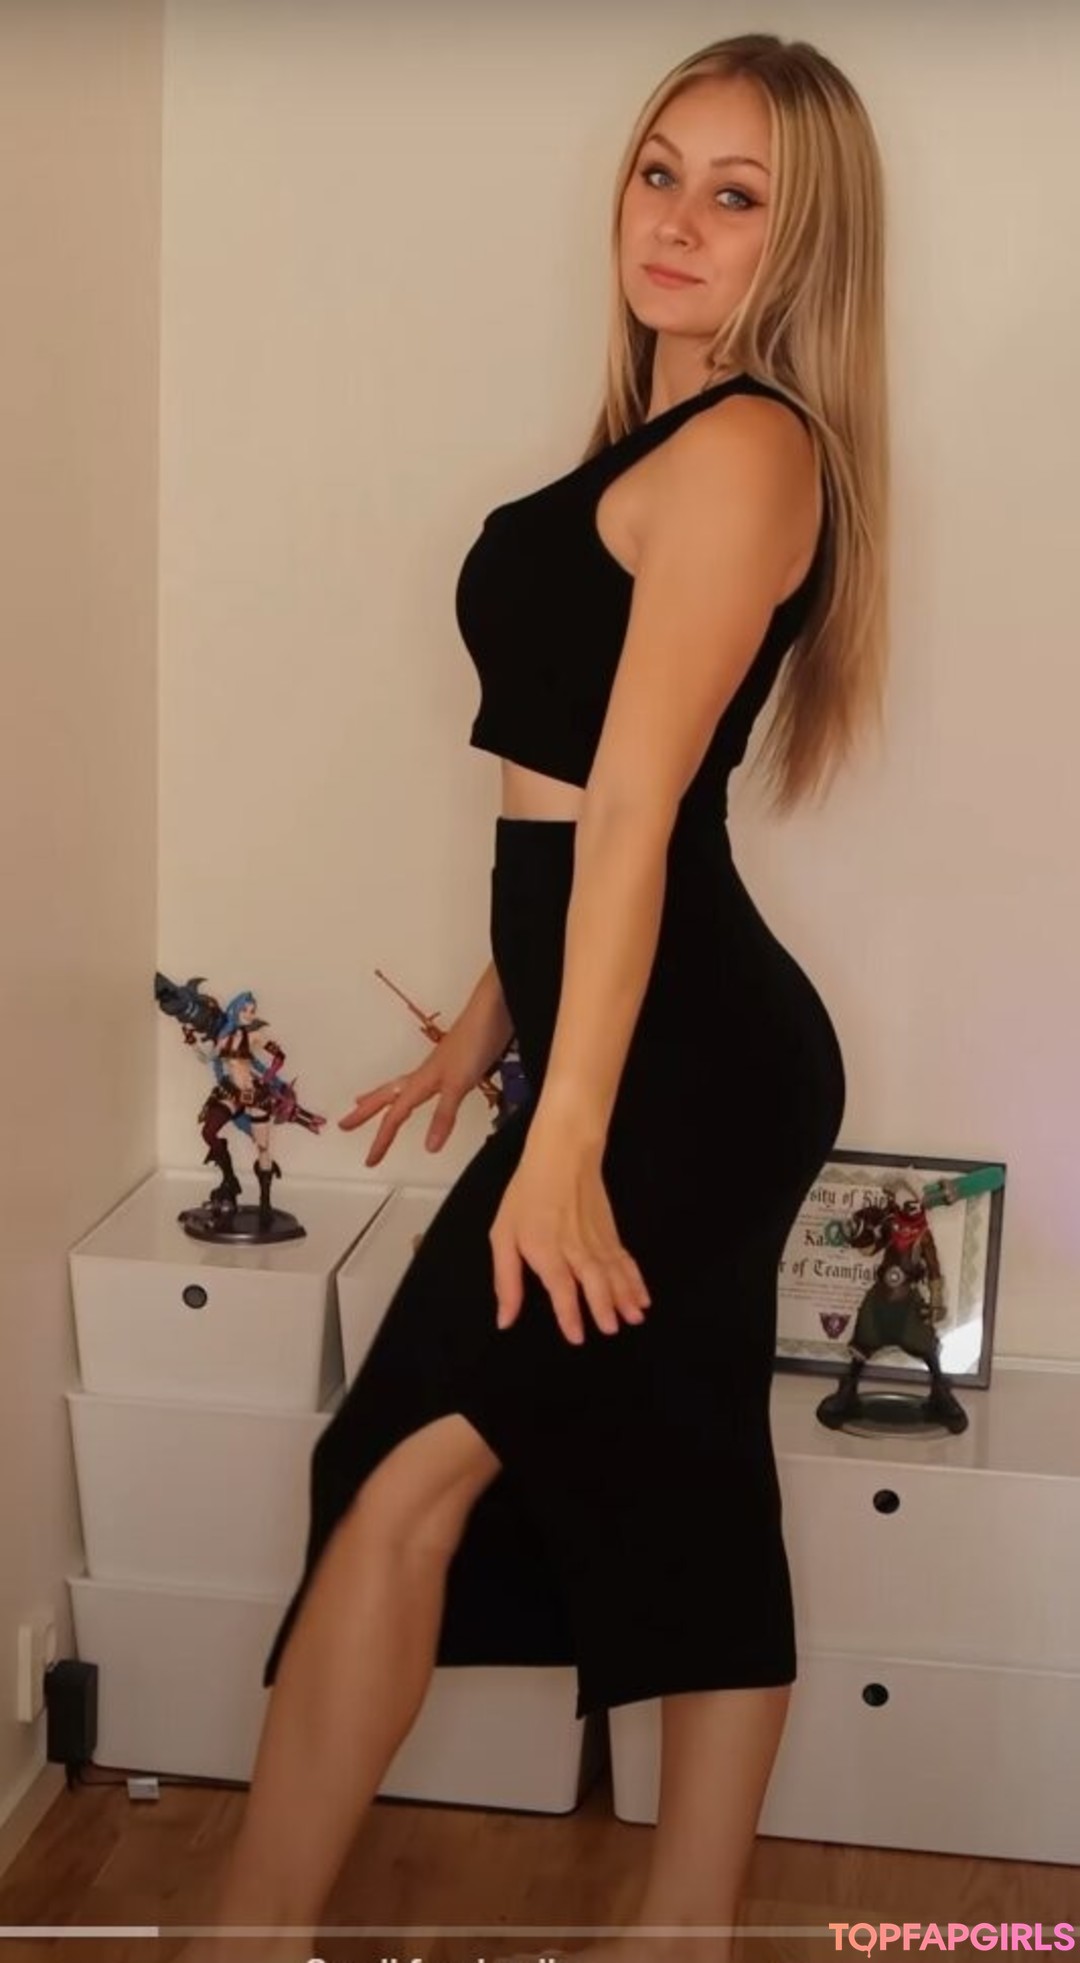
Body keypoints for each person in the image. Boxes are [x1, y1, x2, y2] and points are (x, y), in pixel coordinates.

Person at [180, 28, 887, 1963]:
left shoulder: (749, 449)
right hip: (625, 1040)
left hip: (681, 1071)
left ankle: (248, 1939)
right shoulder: (659, 442)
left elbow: (643, 813)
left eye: (737, 196)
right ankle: (681, 1928)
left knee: (403, 1470)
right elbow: (571, 801)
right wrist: (492, 1027)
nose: (678, 220)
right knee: (678, 1469)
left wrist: (560, 1140)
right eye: (661, 172)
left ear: (803, 242)